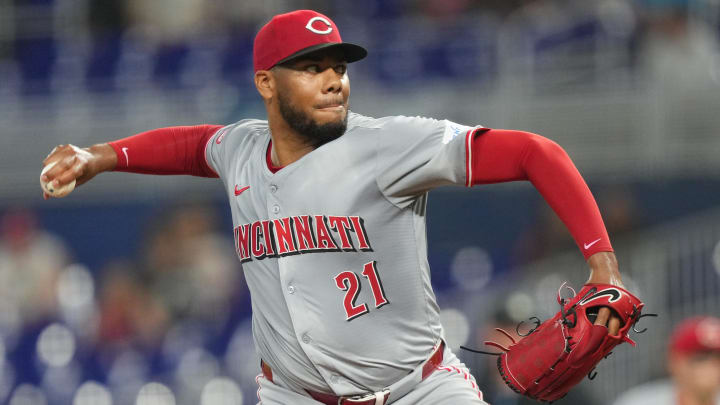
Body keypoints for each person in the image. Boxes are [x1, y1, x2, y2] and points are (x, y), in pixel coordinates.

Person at [40, 9, 630, 405]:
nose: (333, 81)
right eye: (312, 67)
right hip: (293, 394)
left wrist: (602, 264)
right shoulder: (243, 148)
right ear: (267, 82)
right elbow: (192, 145)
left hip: (417, 391)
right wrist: (100, 157)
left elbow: (535, 152)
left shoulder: (390, 144)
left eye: (339, 68)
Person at [613, 316, 720, 405]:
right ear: (675, 361)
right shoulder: (637, 402)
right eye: (700, 357)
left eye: (718, 358)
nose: (712, 366)